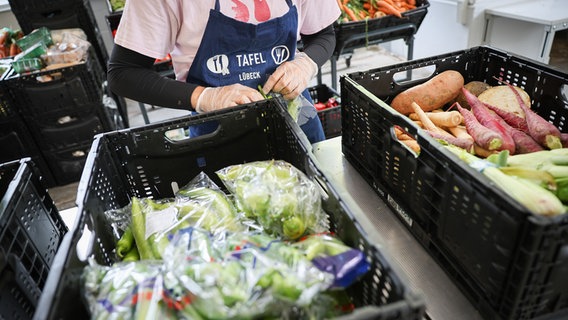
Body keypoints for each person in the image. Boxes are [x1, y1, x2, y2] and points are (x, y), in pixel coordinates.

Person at [107, 0, 340, 143]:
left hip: (297, 120)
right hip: (219, 135)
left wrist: (305, 64)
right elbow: (123, 73)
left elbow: (324, 35)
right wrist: (206, 97)